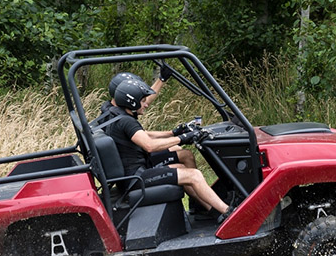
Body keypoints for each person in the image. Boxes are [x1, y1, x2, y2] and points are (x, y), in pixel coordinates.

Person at [94, 75, 233, 223]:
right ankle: (228, 213)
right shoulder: (126, 121)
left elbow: (143, 137)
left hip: (133, 172)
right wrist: (183, 138)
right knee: (194, 175)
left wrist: (174, 134)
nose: (146, 104)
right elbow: (149, 145)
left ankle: (210, 211)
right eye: (142, 101)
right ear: (132, 102)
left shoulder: (117, 115)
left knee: (182, 165)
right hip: (136, 179)